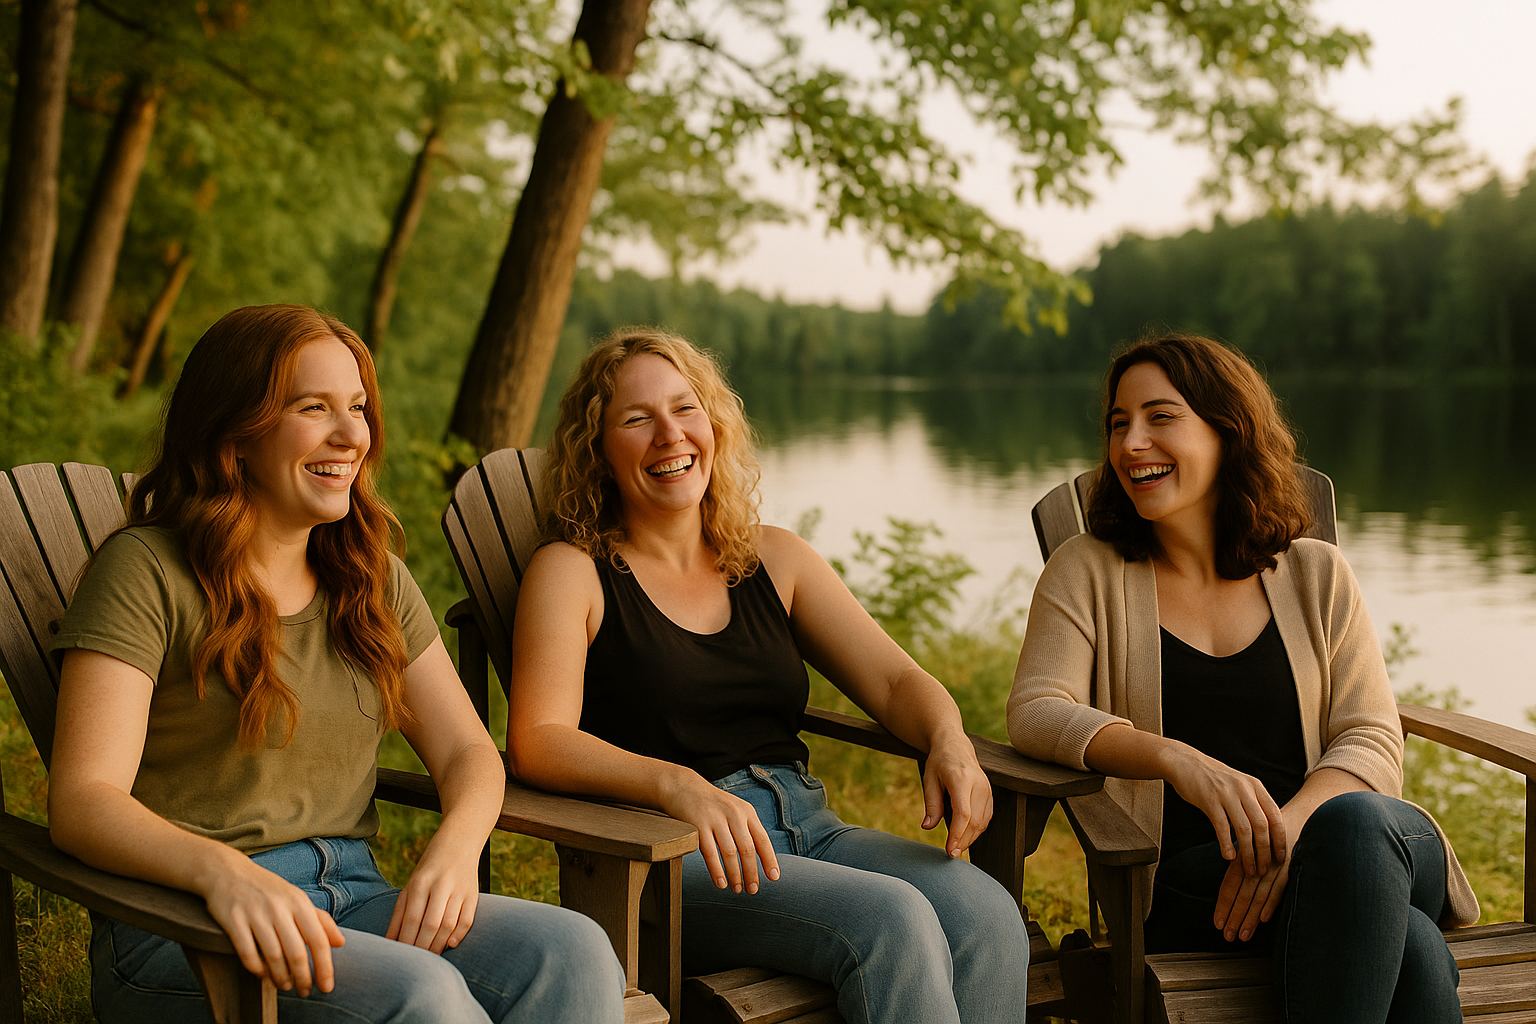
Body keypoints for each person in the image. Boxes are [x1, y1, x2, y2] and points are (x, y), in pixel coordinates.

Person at [48, 304, 626, 1024]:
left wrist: (454, 847)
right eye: (312, 407)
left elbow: (470, 752)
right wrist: (223, 874)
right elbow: (82, 800)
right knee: (426, 999)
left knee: (575, 951)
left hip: (353, 898)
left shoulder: (369, 576)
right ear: (235, 432)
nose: (352, 434)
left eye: (356, 407)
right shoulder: (146, 571)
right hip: (187, 923)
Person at [506, 327, 1029, 1024]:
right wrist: (679, 786)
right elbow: (538, 737)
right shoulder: (573, 572)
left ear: (713, 424)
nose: (670, 434)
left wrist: (950, 740)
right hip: (676, 854)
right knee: (893, 921)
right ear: (598, 449)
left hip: (811, 829)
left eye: (685, 408)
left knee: (986, 912)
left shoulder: (773, 561)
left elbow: (900, 683)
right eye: (637, 419)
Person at [1009, 333, 1477, 1023]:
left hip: (1362, 844)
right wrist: (1176, 760)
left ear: (1227, 430)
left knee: (1354, 829)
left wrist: (1287, 838)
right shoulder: (1088, 570)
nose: (1131, 442)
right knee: (1410, 945)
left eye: (1160, 417)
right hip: (1204, 890)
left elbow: (1372, 738)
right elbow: (1037, 710)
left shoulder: (1317, 576)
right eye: (1118, 423)